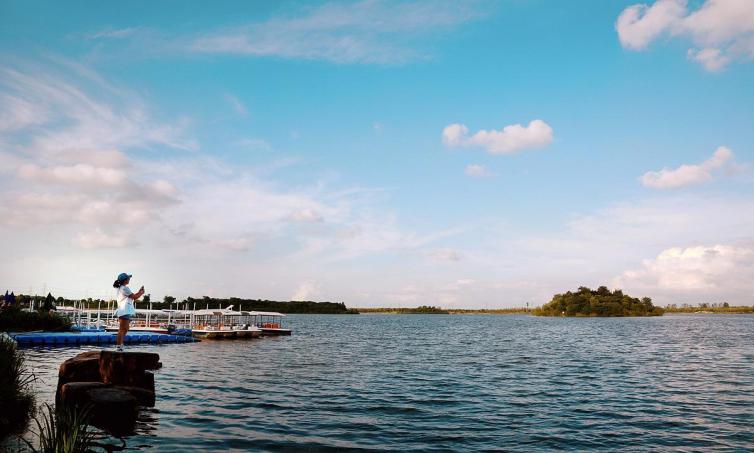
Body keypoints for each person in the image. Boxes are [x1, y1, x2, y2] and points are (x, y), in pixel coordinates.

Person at [113, 272, 145, 351]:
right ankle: (119, 346)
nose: (129, 279)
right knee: (122, 329)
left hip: (123, 310)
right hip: (124, 310)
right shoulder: (124, 288)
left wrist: (139, 292)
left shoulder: (121, 288)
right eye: (128, 278)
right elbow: (135, 297)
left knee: (126, 328)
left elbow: (132, 295)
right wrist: (141, 292)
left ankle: (120, 344)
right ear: (125, 280)